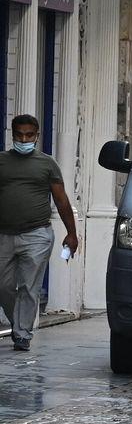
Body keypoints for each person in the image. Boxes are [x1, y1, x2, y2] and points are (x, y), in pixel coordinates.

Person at [0, 115, 79, 351]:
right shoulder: (2, 162)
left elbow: (61, 200)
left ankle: (22, 333)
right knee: (3, 286)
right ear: (12, 134)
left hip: (37, 234)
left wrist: (71, 233)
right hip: (3, 235)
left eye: (29, 135)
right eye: (19, 135)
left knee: (28, 285)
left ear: (37, 136)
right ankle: (18, 322)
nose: (24, 139)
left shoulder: (47, 164)